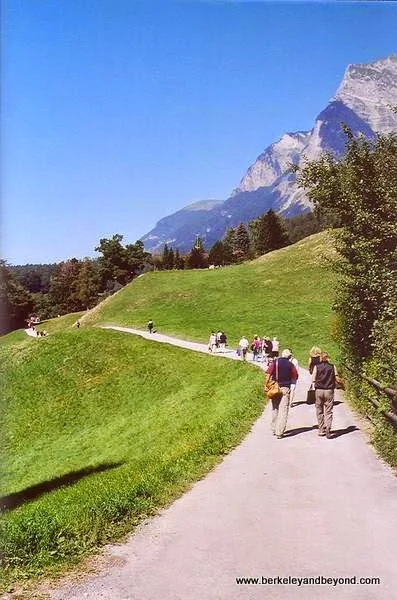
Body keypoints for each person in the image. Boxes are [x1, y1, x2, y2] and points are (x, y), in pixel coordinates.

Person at [266, 348, 299, 438]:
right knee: (283, 411)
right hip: (285, 388)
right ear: (289, 356)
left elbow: (268, 374)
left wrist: (266, 385)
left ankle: (273, 428)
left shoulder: (275, 363)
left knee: (275, 408)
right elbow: (295, 376)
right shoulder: (290, 364)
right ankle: (279, 432)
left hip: (275, 388)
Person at [312, 352, 338, 439]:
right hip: (329, 390)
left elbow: (313, 379)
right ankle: (328, 428)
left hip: (319, 390)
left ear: (320, 358)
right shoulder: (332, 366)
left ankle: (321, 429)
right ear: (328, 358)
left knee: (319, 410)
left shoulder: (316, 367)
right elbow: (336, 378)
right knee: (328, 410)